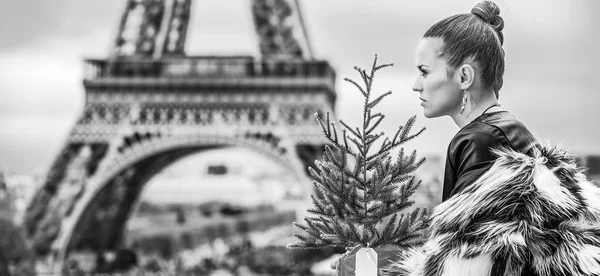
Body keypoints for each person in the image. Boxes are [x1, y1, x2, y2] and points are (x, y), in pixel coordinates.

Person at [385, 1, 600, 276]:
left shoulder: (480, 141)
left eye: (425, 71)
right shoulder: (508, 134)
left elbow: (465, 263)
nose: (416, 84)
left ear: (464, 76)